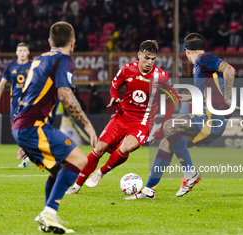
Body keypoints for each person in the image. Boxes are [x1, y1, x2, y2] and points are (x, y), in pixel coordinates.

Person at [125, 33, 236, 199]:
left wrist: (227, 98)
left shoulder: (203, 59)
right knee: (166, 143)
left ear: (186, 51)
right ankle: (148, 191)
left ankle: (190, 173)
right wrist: (189, 97)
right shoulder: (203, 67)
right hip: (211, 121)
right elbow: (209, 92)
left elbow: (229, 69)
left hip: (211, 120)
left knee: (169, 125)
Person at [11, 21, 97, 234]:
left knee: (59, 170)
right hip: (31, 126)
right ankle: (49, 212)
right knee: (80, 160)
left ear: (50, 41)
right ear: (73, 42)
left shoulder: (39, 59)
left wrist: (24, 137)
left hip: (23, 125)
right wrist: (88, 126)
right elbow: (65, 96)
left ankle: (48, 216)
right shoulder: (64, 59)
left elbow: (29, 96)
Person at [66, 40, 177, 194]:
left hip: (143, 122)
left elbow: (172, 101)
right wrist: (114, 96)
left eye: (152, 59)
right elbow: (114, 87)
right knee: (99, 148)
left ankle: (100, 172)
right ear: (139, 55)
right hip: (122, 116)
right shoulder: (127, 69)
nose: (149, 62)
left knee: (127, 147)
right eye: (146, 58)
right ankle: (76, 186)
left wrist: (164, 125)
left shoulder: (162, 77)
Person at [0, 42, 32, 168]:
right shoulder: (11, 67)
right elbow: (2, 84)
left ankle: (28, 158)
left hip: (29, 103)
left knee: (28, 130)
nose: (22, 53)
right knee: (17, 132)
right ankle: (28, 156)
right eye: (19, 50)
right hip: (15, 104)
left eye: (24, 50)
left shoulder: (33, 66)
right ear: (16, 52)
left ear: (28, 52)